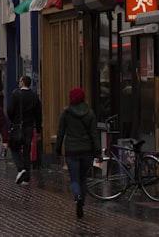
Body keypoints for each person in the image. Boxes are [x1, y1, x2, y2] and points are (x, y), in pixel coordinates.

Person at [55, 87, 99, 219]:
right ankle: (82, 202)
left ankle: (77, 197)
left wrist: (58, 148)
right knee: (83, 178)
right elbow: (94, 133)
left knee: (74, 179)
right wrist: (97, 150)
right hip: (86, 150)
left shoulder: (66, 112)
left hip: (72, 151)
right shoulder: (89, 113)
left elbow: (60, 132)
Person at [8, 75, 43, 185]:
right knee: (27, 151)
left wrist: (14, 120)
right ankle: (26, 178)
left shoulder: (15, 95)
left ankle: (21, 168)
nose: (19, 82)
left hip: (18, 126)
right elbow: (38, 115)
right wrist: (38, 129)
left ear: (23, 82)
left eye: (20, 81)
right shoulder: (34, 96)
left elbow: (10, 110)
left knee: (13, 148)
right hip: (29, 127)